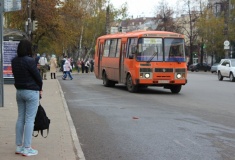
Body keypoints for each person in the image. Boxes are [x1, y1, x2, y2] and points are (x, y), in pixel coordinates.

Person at [11, 39, 43, 157]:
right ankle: (27, 148)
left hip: (19, 91)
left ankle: (19, 146)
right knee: (30, 119)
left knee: (20, 118)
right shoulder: (30, 61)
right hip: (31, 92)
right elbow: (38, 77)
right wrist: (40, 88)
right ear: (28, 49)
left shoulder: (14, 61)